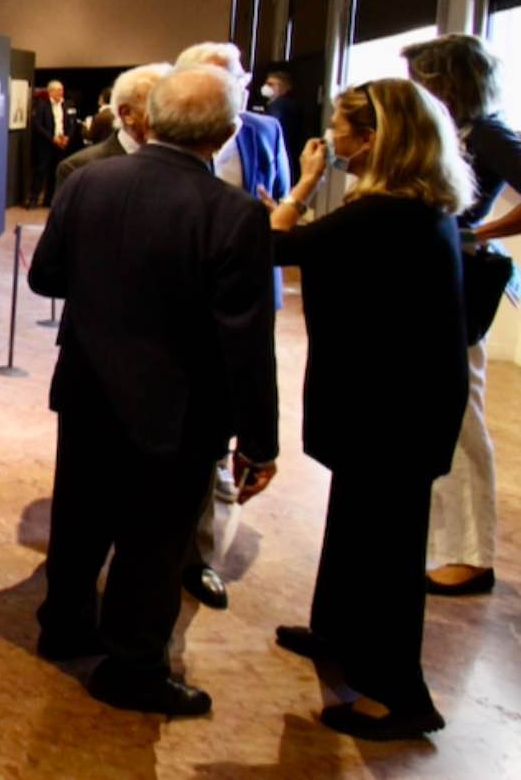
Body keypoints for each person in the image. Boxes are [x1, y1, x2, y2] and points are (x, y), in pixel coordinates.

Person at [28, 66, 279, 717]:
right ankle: (133, 667)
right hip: (180, 408)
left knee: (79, 516)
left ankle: (64, 627)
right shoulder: (234, 214)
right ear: (226, 132)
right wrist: (260, 440)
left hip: (87, 388)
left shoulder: (88, 183)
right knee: (155, 539)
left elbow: (45, 277)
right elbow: (247, 342)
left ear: (153, 117)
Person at [265, 78, 472, 740]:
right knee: (358, 522)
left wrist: (301, 186)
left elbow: (276, 245)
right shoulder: (417, 208)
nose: (330, 138)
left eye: (340, 128)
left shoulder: (384, 213)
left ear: (374, 138)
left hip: (394, 411)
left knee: (386, 549)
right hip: (400, 402)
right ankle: (338, 634)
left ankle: (401, 696)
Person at [171, 41, 292, 610]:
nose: (233, 93)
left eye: (237, 82)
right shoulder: (165, 131)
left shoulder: (264, 132)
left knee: (213, 439)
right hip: (173, 309)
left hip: (238, 300)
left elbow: (277, 205)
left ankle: (200, 556)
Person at [405, 34, 516, 596]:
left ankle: (470, 554)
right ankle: (442, 543)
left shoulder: (489, 134)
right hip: (435, 279)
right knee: (435, 413)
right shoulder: (454, 132)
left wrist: (476, 232)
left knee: (459, 415)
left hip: (460, 283)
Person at [55, 63, 169, 186]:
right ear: (127, 114)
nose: (173, 114)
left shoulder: (178, 163)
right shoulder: (78, 169)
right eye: (162, 105)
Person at [29, 80, 79, 207]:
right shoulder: (42, 106)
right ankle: (33, 199)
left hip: (62, 144)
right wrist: (52, 138)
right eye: (58, 90)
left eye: (62, 90)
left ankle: (49, 199)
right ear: (50, 92)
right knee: (41, 171)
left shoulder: (68, 105)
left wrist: (67, 137)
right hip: (46, 144)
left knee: (55, 172)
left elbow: (73, 123)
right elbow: (37, 125)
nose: (61, 92)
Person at [259, 68, 304, 160]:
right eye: (266, 84)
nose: (266, 87)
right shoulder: (282, 104)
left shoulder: (280, 106)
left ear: (283, 88)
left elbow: (270, 130)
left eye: (271, 84)